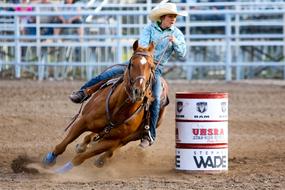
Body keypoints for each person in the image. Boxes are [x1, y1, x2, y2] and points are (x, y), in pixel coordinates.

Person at [69, 2, 187, 148]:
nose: (173, 19)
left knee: (156, 97)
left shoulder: (176, 34)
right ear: (163, 17)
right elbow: (142, 45)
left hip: (155, 68)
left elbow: (182, 53)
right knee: (108, 73)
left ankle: (149, 132)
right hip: (139, 62)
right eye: (171, 16)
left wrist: (175, 42)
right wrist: (146, 56)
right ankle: (83, 92)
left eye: (175, 17)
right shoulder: (149, 28)